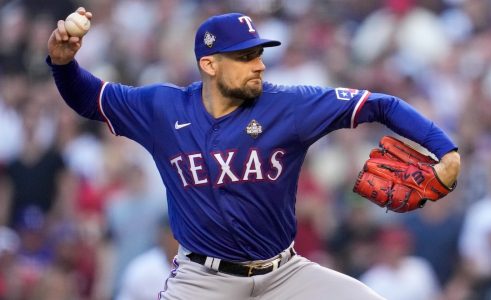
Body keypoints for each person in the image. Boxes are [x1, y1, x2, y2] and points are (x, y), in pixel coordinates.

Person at [47, 8, 461, 300]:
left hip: (285, 275)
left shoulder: (289, 105)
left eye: (259, 53)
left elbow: (379, 104)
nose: (259, 64)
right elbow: (91, 99)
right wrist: (63, 66)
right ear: (209, 64)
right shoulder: (162, 108)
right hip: (203, 282)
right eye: (245, 57)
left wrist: (445, 150)